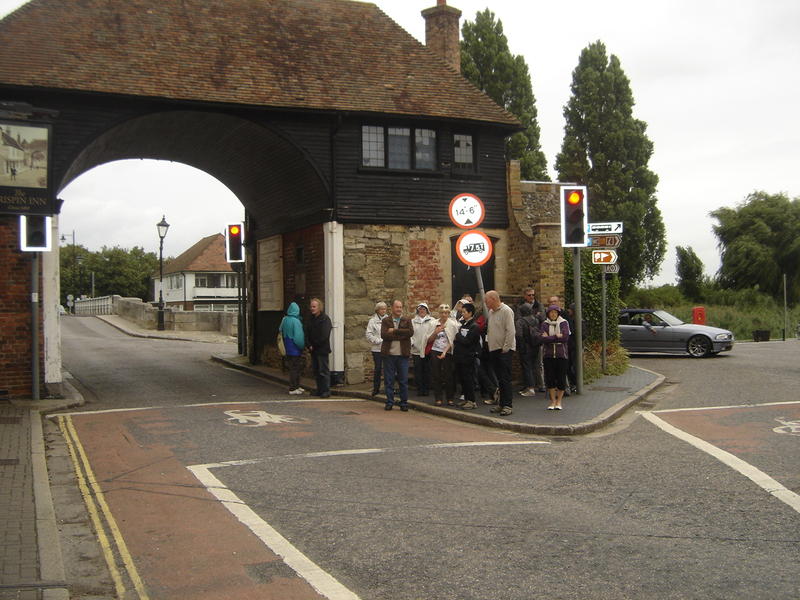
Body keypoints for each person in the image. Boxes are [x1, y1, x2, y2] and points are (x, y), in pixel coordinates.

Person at [484, 290, 516, 416]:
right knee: (499, 379)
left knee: (505, 378)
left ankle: (508, 405)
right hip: (494, 349)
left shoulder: (506, 311)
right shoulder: (491, 312)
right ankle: (501, 404)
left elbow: (510, 331)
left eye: (487, 300)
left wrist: (506, 348)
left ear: (493, 299)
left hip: (504, 350)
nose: (485, 302)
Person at [381, 300, 414, 411]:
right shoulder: (386, 321)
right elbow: (384, 335)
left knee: (403, 380)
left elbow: (410, 333)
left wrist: (394, 331)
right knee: (389, 380)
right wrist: (401, 334)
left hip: (402, 355)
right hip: (389, 355)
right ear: (392, 308)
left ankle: (403, 403)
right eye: (397, 307)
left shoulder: (407, 320)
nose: (399, 309)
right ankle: (389, 401)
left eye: (400, 307)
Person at [540, 304, 571, 410]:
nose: (553, 314)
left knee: (561, 378)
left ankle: (559, 401)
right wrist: (557, 336)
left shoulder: (564, 323)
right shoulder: (544, 324)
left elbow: (565, 337)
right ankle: (552, 401)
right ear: (548, 314)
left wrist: (549, 337)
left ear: (558, 314)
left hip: (561, 355)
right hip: (548, 355)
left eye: (555, 312)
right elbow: (543, 339)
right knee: (550, 378)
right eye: (551, 312)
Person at [428, 304, 459, 406]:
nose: (444, 315)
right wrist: (435, 332)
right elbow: (428, 340)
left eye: (446, 313)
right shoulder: (433, 323)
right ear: (439, 313)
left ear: (449, 313)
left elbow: (453, 340)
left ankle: (450, 398)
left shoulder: (453, 324)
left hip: (447, 351)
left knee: (448, 375)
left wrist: (445, 352)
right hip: (435, 350)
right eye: (442, 313)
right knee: (436, 375)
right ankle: (438, 398)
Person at [453, 302, 482, 410]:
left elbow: (467, 341)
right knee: (463, 379)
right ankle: (466, 399)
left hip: (468, 357)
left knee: (468, 379)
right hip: (460, 356)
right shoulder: (463, 324)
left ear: (470, 313)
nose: (463, 314)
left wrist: (457, 336)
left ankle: (472, 401)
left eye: (464, 312)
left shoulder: (474, 326)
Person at [306, 297, 332, 398]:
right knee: (316, 371)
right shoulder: (310, 319)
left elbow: (324, 335)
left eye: (314, 306)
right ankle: (319, 389)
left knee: (323, 371)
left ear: (319, 307)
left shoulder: (325, 319)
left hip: (322, 349)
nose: (312, 308)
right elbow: (307, 333)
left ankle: (326, 390)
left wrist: (314, 345)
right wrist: (309, 345)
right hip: (313, 349)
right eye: (311, 306)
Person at [279, 301, 306, 395]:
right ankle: (293, 387)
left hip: (287, 347)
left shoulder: (284, 319)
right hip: (295, 348)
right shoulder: (296, 321)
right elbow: (299, 337)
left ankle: (297, 386)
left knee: (292, 367)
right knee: (296, 368)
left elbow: (280, 330)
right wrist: (302, 346)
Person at [515, 302, 541, 397]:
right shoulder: (536, 320)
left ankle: (530, 388)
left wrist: (519, 347)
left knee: (527, 367)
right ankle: (533, 385)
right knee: (534, 366)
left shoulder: (520, 321)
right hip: (535, 345)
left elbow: (518, 335)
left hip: (525, 347)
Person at [410, 303, 436, 396]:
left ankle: (426, 389)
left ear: (427, 311)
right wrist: (412, 343)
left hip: (427, 349)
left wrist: (427, 343)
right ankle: (420, 389)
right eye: (420, 310)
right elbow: (410, 334)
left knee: (427, 369)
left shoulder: (432, 321)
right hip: (416, 350)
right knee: (418, 370)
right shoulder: (413, 321)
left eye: (424, 309)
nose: (422, 311)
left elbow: (432, 333)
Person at [365, 301, 388, 398]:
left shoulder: (388, 319)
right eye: (382, 309)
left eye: (385, 309)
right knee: (378, 369)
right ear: (377, 310)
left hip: (387, 348)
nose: (384, 311)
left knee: (388, 369)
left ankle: (388, 388)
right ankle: (376, 389)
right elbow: (369, 334)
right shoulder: (372, 321)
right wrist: (378, 341)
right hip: (377, 349)